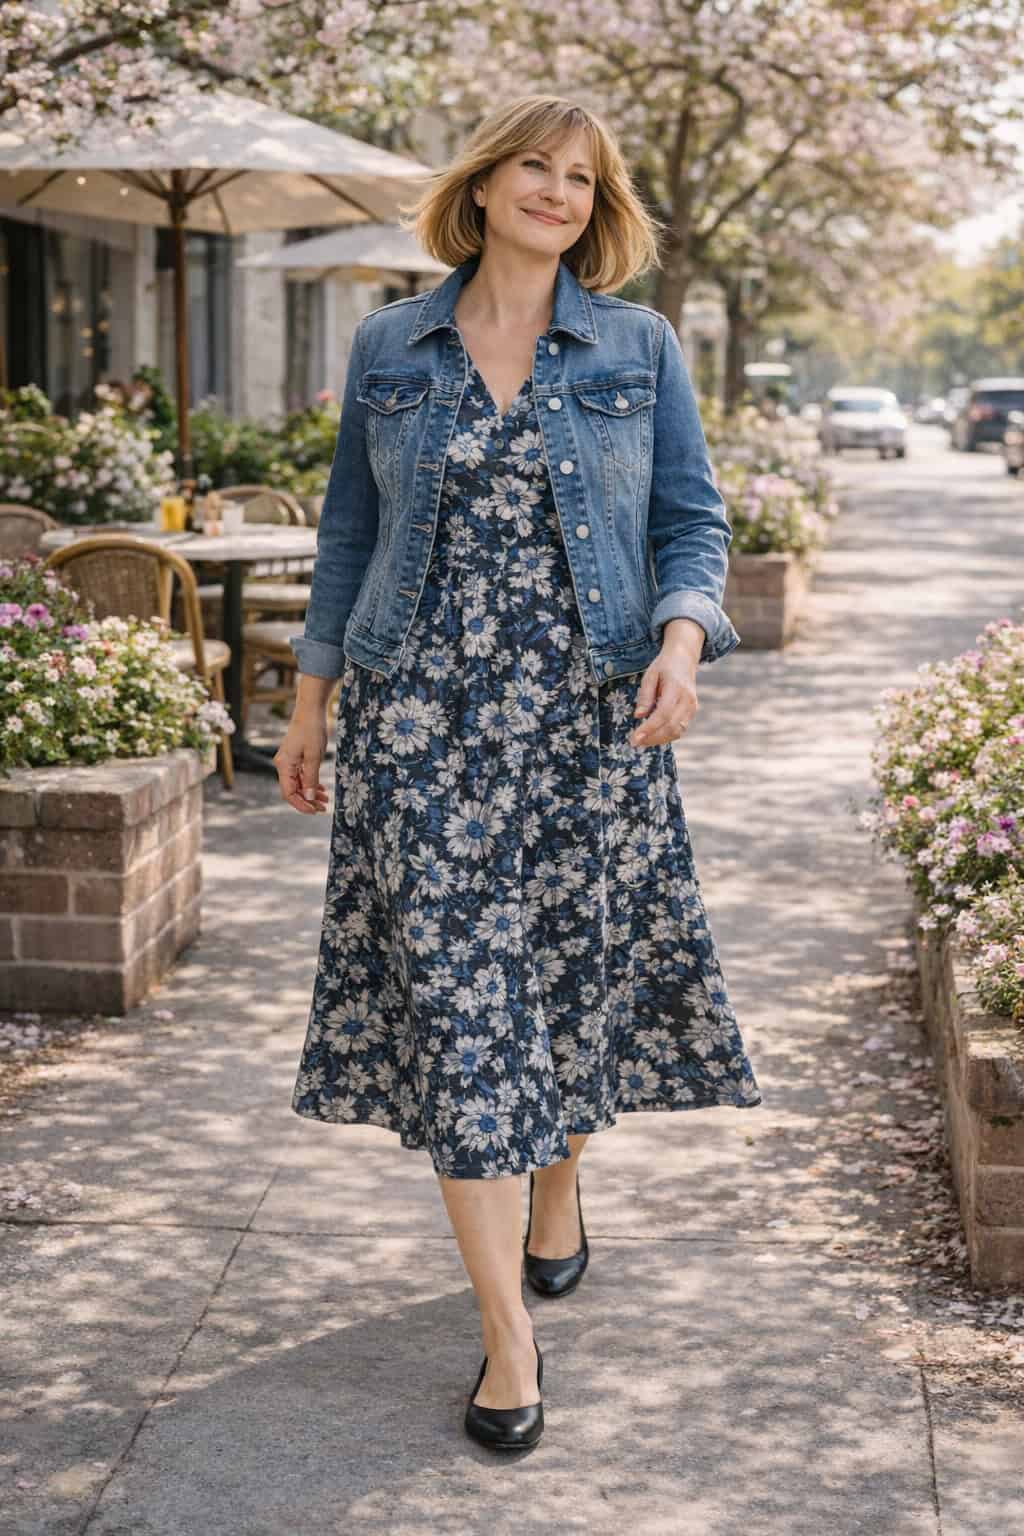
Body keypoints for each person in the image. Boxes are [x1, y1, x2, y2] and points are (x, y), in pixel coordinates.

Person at [273, 93, 764, 1453]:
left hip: (587, 730)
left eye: (580, 178)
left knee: (569, 991)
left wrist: (682, 642)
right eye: (533, 167)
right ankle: (507, 1340)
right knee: (461, 1017)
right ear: (484, 187)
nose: (555, 190)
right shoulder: (390, 345)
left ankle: (560, 1186)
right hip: (417, 732)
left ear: (596, 208)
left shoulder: (636, 344)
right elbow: (349, 536)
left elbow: (690, 520)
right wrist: (310, 705)